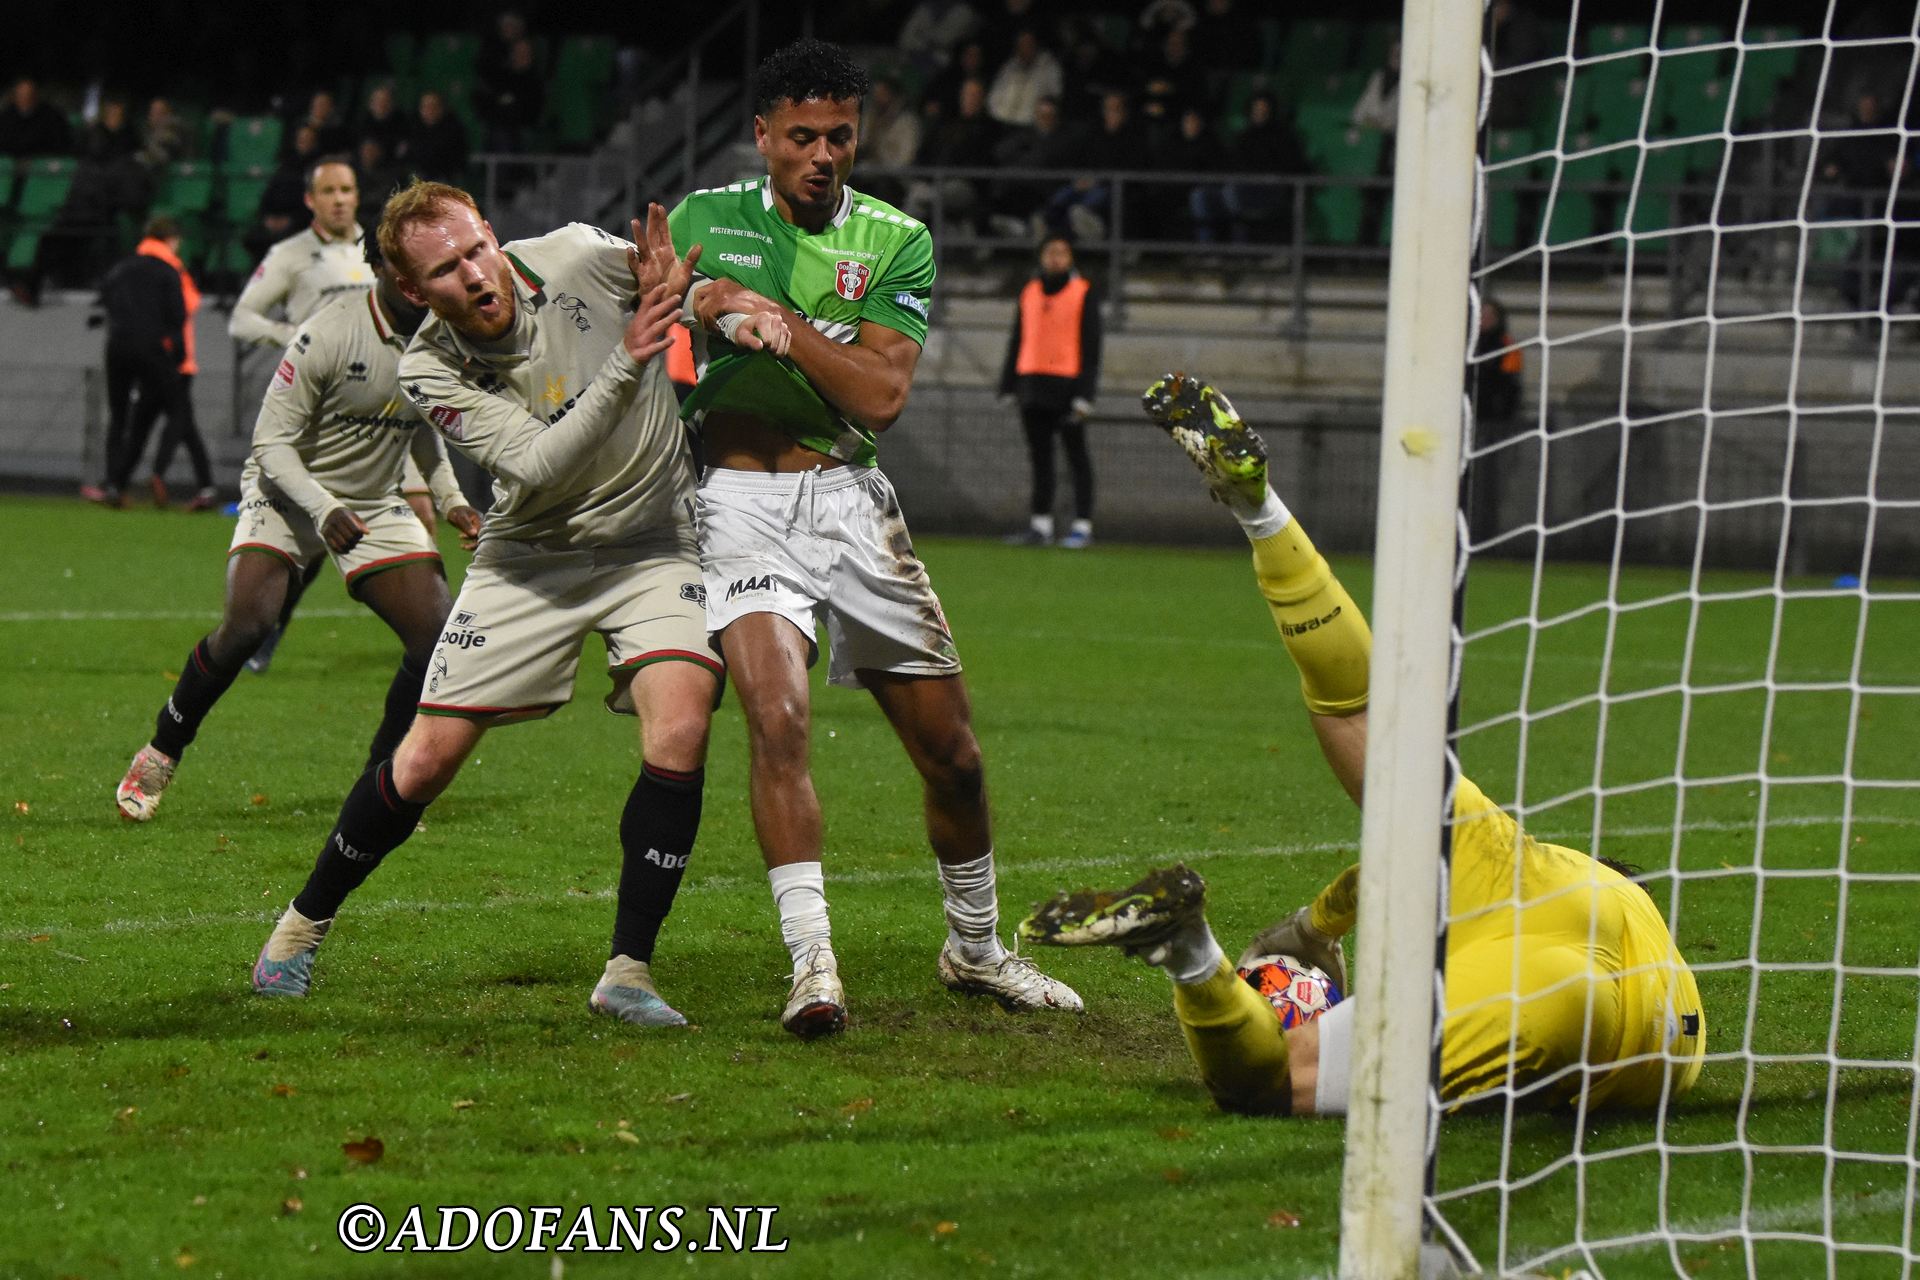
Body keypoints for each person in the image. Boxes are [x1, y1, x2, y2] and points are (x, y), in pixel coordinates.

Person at [1021, 374, 1707, 1117]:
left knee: (1361, 715)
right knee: (1278, 1079)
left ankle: (1259, 510)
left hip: (1532, 922)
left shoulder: (1536, 864)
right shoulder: (1646, 940)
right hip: (1647, 1028)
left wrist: (1311, 928)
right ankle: (1184, 950)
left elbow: (1379, 872)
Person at [667, 37, 1083, 1039]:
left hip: (851, 500)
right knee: (779, 718)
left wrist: (773, 320)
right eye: (801, 135)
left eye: (840, 137)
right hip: (732, 501)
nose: (822, 153)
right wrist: (691, 299)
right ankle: (813, 964)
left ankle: (974, 948)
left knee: (954, 757)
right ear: (762, 137)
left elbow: (881, 395)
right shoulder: (700, 222)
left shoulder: (897, 239)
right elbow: (650, 326)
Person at [250, 180, 738, 1033]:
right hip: (531, 555)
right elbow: (540, 465)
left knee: (682, 722)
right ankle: (301, 925)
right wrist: (630, 356)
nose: (475, 275)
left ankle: (629, 969)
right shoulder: (429, 368)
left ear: (493, 233)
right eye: (446, 269)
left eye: (477, 249)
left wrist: (707, 299)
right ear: (412, 290)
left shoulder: (581, 255)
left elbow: (680, 291)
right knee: (425, 762)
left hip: (653, 541)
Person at [114, 234, 479, 823]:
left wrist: (453, 498)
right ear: (380, 267)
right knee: (249, 625)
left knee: (438, 636)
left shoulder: (440, 335)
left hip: (373, 500)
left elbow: (422, 422)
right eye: (406, 266)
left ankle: (381, 780)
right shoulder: (328, 332)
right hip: (287, 491)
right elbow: (271, 444)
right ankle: (163, 750)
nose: (420, 280)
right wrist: (321, 508)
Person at [230, 157, 405, 673]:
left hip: (389, 405)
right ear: (310, 199)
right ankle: (268, 622)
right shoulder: (292, 255)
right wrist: (296, 340)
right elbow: (242, 318)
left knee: (417, 513)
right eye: (327, 191)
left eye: (347, 189)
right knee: (311, 528)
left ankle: (430, 644)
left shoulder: (378, 251)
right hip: (319, 411)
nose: (339, 199)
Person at [997, 233, 1101, 547]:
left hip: (1068, 386)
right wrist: (1008, 384)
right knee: (1040, 458)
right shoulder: (1029, 291)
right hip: (1032, 384)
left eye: (1062, 252)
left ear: (1071, 258)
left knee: (1076, 458)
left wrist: (1086, 394)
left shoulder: (1083, 292)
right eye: (1050, 252)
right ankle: (1040, 525)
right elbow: (1018, 337)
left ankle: (1082, 525)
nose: (1055, 258)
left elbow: (1092, 345)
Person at [81, 218, 189, 509]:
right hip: (151, 349)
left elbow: (103, 299)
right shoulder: (168, 271)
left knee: (119, 417)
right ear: (170, 240)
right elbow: (178, 317)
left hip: (116, 346)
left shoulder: (122, 267)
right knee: (177, 409)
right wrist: (177, 356)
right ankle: (158, 471)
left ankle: (114, 483)